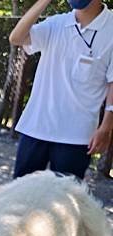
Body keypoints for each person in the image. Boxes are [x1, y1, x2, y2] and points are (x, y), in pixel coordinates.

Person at [9, 0, 113, 179]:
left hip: (76, 136)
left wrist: (106, 127)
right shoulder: (56, 23)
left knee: (64, 201)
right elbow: (16, 38)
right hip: (36, 127)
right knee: (20, 196)